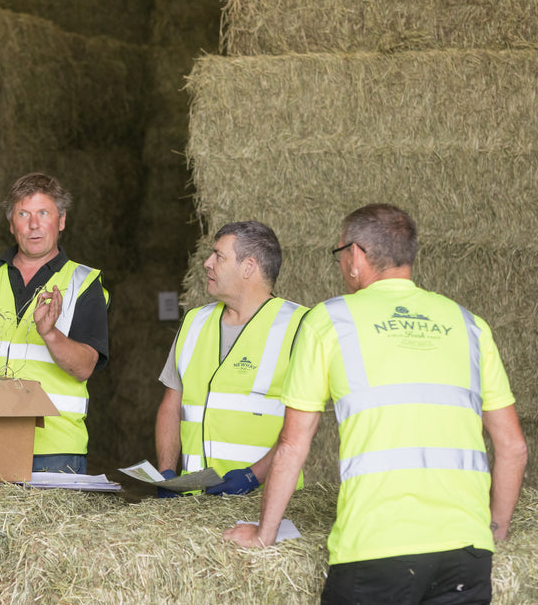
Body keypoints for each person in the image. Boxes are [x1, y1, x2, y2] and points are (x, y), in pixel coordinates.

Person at [225, 204, 528, 604]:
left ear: (357, 256)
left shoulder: (329, 321)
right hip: (465, 556)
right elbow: (513, 447)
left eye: (340, 254)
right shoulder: (470, 325)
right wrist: (496, 532)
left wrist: (264, 534)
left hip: (375, 550)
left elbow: (294, 442)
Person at [0, 173, 109, 474]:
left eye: (44, 213)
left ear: (61, 220)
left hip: (54, 449)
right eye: (23, 214)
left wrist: (50, 334)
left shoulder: (83, 282)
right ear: (11, 223)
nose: (34, 224)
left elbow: (84, 367)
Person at [155, 221, 307, 496]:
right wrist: (166, 473)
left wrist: (252, 476)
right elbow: (171, 405)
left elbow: (304, 424)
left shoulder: (300, 326)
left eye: (219, 256)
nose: (207, 263)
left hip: (265, 500)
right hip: (195, 506)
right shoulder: (193, 322)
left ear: (248, 266)